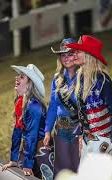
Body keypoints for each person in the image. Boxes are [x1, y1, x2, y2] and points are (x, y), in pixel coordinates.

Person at [65, 35, 112, 159]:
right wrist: (80, 135)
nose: (75, 55)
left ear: (88, 55)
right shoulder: (79, 78)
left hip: (102, 139)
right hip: (86, 139)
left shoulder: (102, 80)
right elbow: (80, 111)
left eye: (79, 52)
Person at [2, 64, 53, 179]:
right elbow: (17, 131)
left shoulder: (34, 106)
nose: (17, 78)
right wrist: (13, 159)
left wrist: (28, 165)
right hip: (28, 148)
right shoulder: (21, 103)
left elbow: (32, 136)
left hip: (41, 151)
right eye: (18, 76)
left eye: (22, 77)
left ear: (29, 84)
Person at [43, 38, 80, 178]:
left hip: (79, 131)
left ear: (76, 55)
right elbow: (53, 106)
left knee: (79, 168)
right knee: (62, 171)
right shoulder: (57, 78)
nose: (66, 58)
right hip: (61, 130)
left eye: (69, 54)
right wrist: (47, 131)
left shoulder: (83, 77)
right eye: (63, 55)